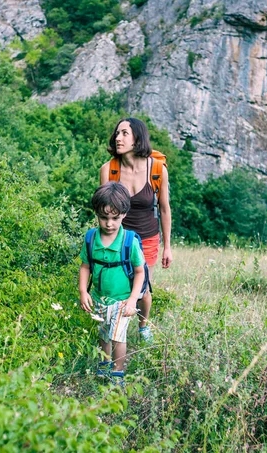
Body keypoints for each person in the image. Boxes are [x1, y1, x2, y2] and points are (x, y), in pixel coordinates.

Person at [100, 118, 172, 343]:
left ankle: (143, 326)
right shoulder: (109, 170)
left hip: (148, 238)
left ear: (137, 138)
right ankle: (114, 327)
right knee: (117, 285)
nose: (117, 138)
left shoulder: (157, 169)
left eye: (124, 133)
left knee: (142, 287)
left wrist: (167, 247)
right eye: (117, 133)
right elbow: (104, 211)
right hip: (119, 238)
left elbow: (164, 208)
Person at [78, 182, 146, 386]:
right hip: (99, 298)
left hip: (123, 301)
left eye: (115, 218)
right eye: (104, 217)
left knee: (118, 337)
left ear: (124, 214)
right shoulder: (91, 238)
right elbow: (85, 266)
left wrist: (133, 299)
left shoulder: (129, 241)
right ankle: (104, 364)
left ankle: (117, 372)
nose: (109, 223)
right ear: (96, 214)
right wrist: (83, 291)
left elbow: (140, 271)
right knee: (103, 334)